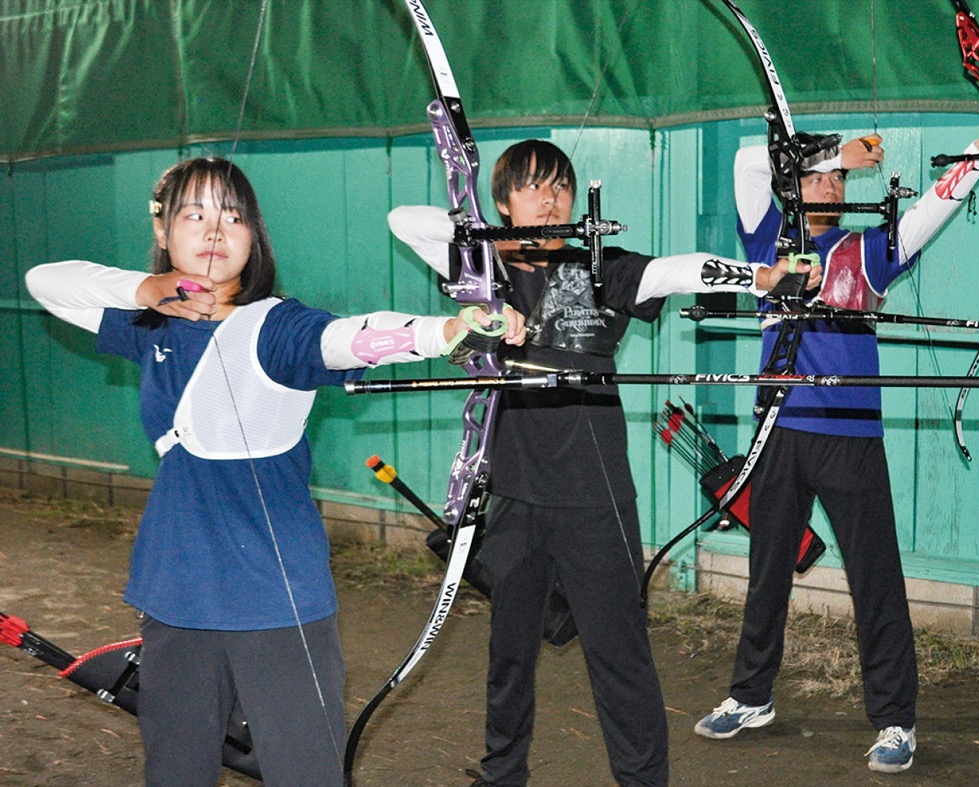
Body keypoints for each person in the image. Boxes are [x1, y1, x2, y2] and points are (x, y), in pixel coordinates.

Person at [23, 156, 526, 787]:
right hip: (173, 587)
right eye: (194, 215)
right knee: (175, 769)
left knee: (307, 771)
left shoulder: (279, 326)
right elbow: (45, 281)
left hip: (275, 595)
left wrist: (447, 330)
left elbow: (347, 337)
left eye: (233, 217)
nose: (214, 231)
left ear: (254, 236)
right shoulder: (149, 322)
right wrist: (144, 289)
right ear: (163, 231)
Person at [389, 139, 808, 787]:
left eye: (560, 186)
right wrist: (489, 245)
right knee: (509, 653)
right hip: (515, 496)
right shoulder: (484, 270)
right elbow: (404, 221)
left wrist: (762, 278)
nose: (551, 199)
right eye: (532, 187)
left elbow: (676, 272)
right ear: (503, 202)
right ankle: (502, 774)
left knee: (620, 655)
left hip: (596, 496)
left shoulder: (599, 264)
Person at [693, 122, 979, 774]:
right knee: (767, 571)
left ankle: (896, 720)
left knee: (874, 579)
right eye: (817, 175)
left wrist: (977, 154)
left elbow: (929, 211)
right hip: (778, 430)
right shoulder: (769, 242)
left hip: (849, 435)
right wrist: (832, 151)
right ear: (792, 181)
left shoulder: (866, 250)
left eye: (839, 178)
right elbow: (744, 163)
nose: (831, 185)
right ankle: (751, 695)